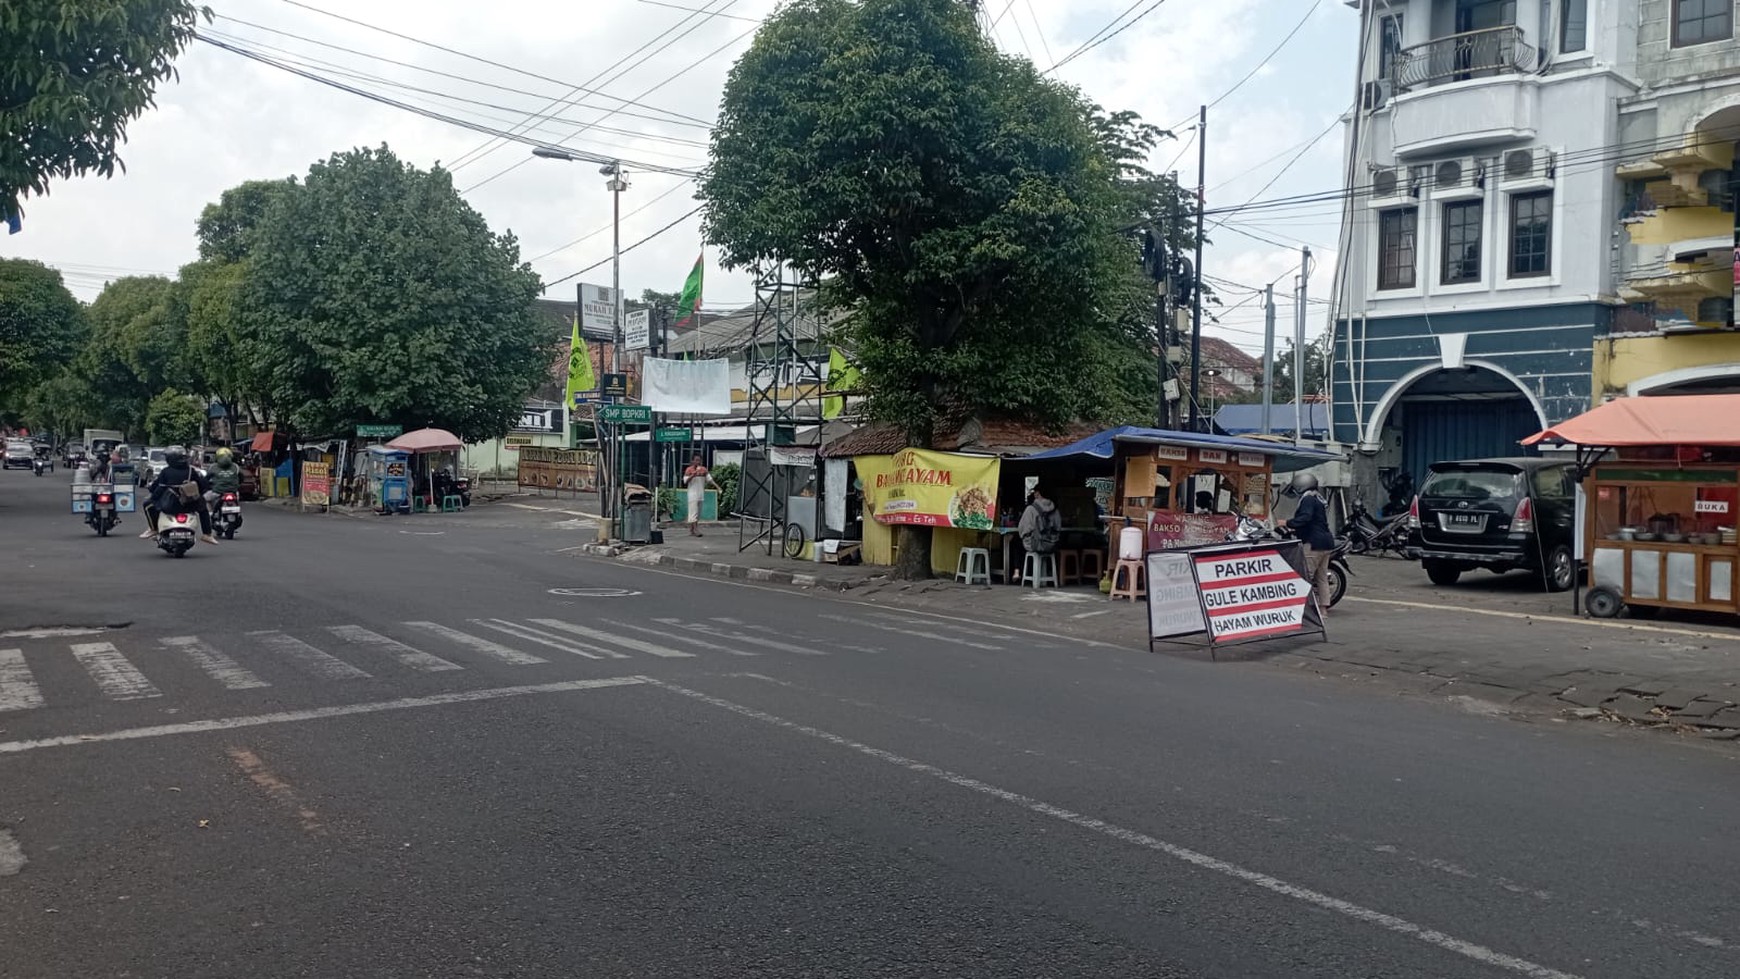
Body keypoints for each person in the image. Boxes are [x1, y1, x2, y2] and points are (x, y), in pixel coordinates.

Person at [143, 448, 217, 544]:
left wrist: (153, 496)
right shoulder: (191, 471)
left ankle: (153, 529)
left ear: (170, 459)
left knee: (147, 505)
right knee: (203, 508)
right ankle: (207, 534)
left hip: (169, 506)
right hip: (189, 505)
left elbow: (157, 488)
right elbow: (203, 485)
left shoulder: (166, 471)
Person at [1285, 472, 1335, 612]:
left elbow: (1305, 518)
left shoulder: (1308, 500)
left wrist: (1288, 523)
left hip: (1314, 543)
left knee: (1306, 575)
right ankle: (1323, 609)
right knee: (1322, 577)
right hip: (1326, 542)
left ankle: (1302, 610)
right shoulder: (1318, 498)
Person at [1018, 485, 1062, 558]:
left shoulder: (1031, 509)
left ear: (1037, 493)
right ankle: (1047, 568)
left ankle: (1020, 569)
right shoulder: (1055, 510)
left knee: (1016, 543)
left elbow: (1022, 530)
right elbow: (1058, 528)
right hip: (1051, 545)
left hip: (1035, 545)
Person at [682, 455, 713, 537]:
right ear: (692, 461)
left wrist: (717, 487)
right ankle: (696, 530)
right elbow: (685, 481)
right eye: (696, 460)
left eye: (699, 460)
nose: (698, 462)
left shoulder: (703, 470)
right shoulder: (689, 469)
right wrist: (693, 475)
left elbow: (709, 479)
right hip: (692, 494)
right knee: (694, 513)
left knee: (698, 513)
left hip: (700, 494)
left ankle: (691, 530)